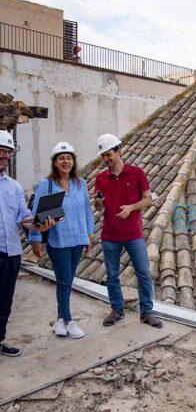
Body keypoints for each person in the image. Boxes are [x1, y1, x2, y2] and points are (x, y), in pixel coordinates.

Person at [93, 133, 162, 328]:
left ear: (119, 151)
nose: (106, 159)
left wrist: (131, 207)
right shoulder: (100, 177)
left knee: (143, 273)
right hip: (110, 233)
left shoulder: (137, 172)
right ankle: (117, 309)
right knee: (112, 275)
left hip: (133, 232)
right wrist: (98, 202)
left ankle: (146, 312)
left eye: (109, 155)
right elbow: (99, 208)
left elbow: (149, 199)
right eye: (103, 156)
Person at [30, 142, 94, 339]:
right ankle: (68, 320)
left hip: (77, 239)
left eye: (69, 158)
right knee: (64, 281)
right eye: (61, 158)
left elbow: (86, 210)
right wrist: (35, 240)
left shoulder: (80, 183)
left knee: (66, 281)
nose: (66, 161)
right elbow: (36, 216)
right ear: (55, 162)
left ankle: (59, 319)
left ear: (73, 161)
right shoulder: (46, 185)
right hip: (59, 240)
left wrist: (88, 235)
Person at [0, 130, 54, 356]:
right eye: (2, 151)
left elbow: (23, 217)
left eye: (9, 153)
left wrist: (41, 224)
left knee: (4, 300)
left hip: (11, 252)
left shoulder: (14, 187)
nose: (6, 156)